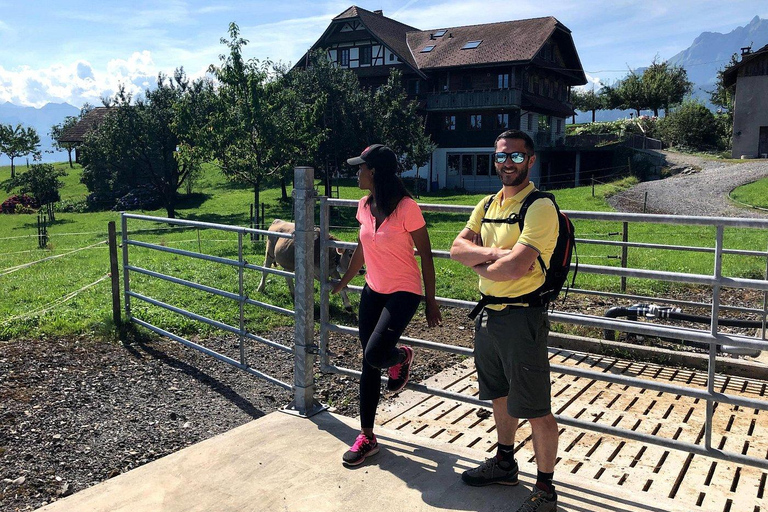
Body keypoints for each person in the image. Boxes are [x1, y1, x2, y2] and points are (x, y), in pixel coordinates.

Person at [450, 129, 560, 512]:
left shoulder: (540, 206)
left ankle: (545, 490)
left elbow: (514, 269)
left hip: (522, 318)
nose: (506, 163)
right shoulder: (487, 202)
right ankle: (504, 462)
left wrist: (484, 262)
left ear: (531, 160)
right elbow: (455, 249)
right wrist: (494, 254)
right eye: (500, 156)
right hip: (489, 317)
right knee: (499, 395)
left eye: (515, 157)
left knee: (536, 406)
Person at [333, 144, 442, 466]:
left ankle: (401, 356)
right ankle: (367, 435)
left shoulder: (407, 207)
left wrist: (431, 302)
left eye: (360, 168)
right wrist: (345, 282)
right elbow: (362, 248)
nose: (357, 173)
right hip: (373, 290)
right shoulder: (363, 206)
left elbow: (426, 256)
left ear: (374, 171)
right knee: (367, 364)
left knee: (375, 354)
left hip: (404, 292)